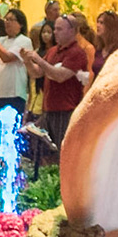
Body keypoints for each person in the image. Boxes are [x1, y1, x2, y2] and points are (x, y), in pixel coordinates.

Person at [25, 13, 92, 148]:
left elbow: (60, 76)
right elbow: (37, 73)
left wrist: (38, 59)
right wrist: (27, 61)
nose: (55, 32)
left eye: (59, 29)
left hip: (65, 111)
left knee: (61, 151)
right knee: (44, 151)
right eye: (55, 28)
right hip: (48, 110)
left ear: (72, 31)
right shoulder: (53, 51)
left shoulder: (77, 53)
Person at [0, 7, 33, 140]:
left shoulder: (24, 41)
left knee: (11, 135)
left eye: (11, 20)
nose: (7, 23)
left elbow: (7, 57)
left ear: (20, 24)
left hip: (13, 94)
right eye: (6, 19)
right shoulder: (2, 40)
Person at [91, 10, 118, 75]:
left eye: (102, 23)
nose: (98, 25)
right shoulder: (99, 48)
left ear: (111, 27)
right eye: (98, 22)